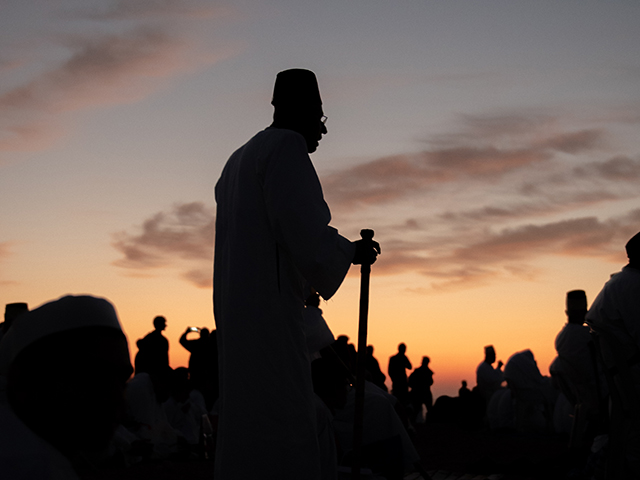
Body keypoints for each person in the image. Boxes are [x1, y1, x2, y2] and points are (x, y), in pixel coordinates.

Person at [213, 68, 380, 480]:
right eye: (320, 115)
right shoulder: (286, 148)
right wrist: (351, 251)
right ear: (302, 109)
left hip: (237, 316)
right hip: (270, 317)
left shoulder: (238, 159)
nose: (322, 130)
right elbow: (304, 233)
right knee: (284, 420)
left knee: (245, 420)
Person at [0, 295, 133, 479]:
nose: (117, 398)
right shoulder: (26, 467)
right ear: (25, 381)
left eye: (122, 380)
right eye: (95, 378)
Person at [179, 326, 218, 409]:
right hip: (209, 378)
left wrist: (187, 332)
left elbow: (182, 341)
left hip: (196, 377)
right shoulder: (212, 345)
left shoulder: (196, 344)